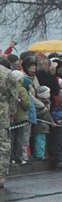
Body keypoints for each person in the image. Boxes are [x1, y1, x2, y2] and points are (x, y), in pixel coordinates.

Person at [0, 60, 18, 188]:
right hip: (3, 112)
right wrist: (12, 112)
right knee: (3, 144)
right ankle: (1, 175)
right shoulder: (8, 73)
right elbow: (13, 95)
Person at [10, 70, 31, 165]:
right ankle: (19, 157)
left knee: (11, 138)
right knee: (20, 139)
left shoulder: (9, 88)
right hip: (21, 117)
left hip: (11, 117)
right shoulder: (22, 89)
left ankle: (11, 157)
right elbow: (26, 104)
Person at [32, 86, 52, 161]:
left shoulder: (47, 103)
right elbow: (36, 115)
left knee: (43, 141)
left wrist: (52, 122)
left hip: (45, 125)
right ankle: (39, 155)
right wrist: (43, 111)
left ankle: (43, 154)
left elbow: (48, 115)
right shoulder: (38, 104)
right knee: (39, 141)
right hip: (39, 125)